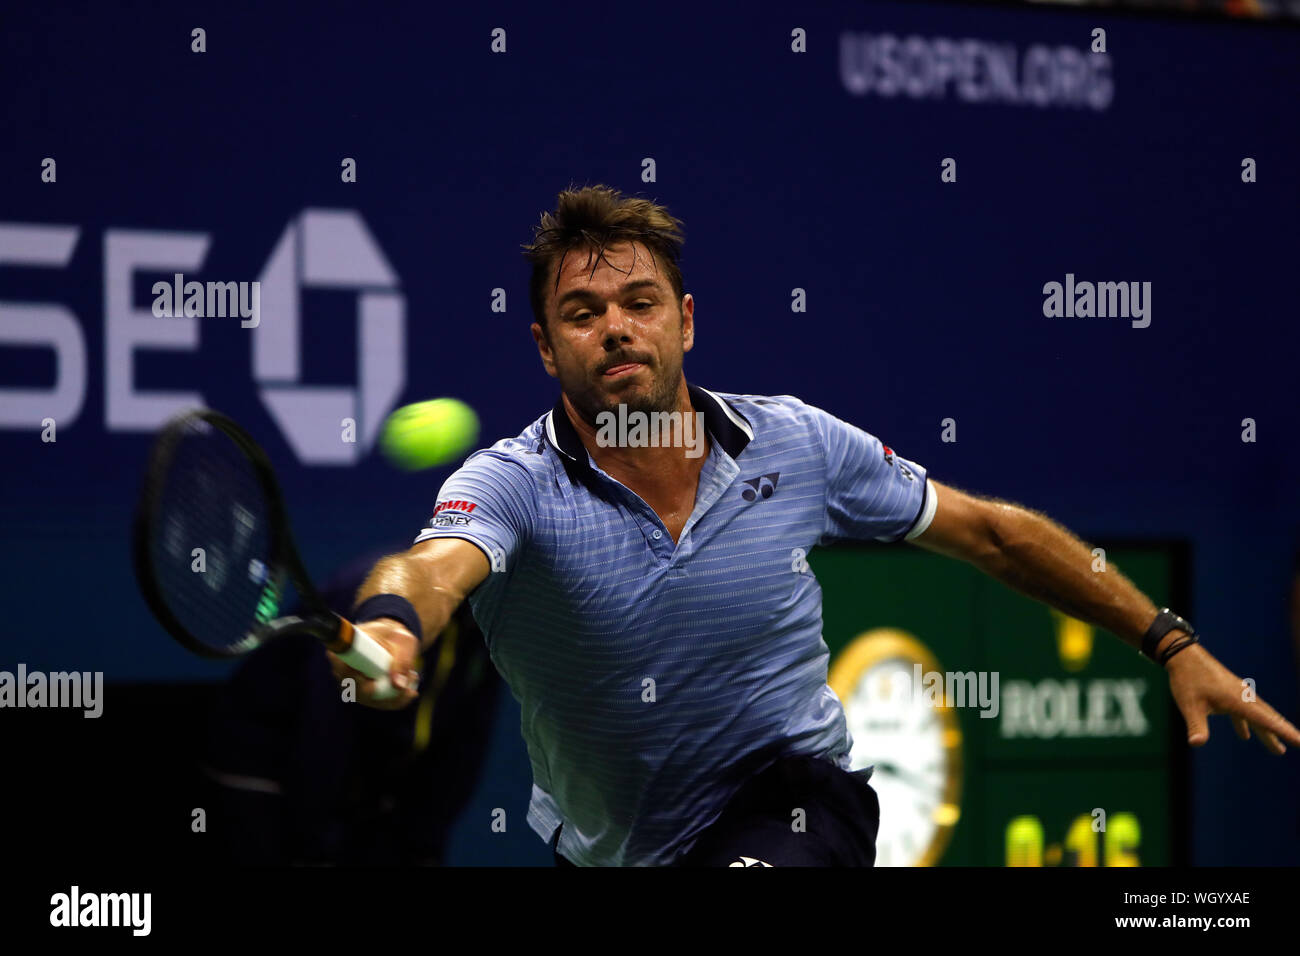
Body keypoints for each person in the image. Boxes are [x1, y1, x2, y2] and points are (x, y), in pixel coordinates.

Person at [331, 184, 1300, 867]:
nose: (617, 327)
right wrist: (389, 623)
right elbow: (429, 568)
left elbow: (994, 534)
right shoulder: (510, 483)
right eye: (582, 313)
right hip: (603, 844)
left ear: (686, 320)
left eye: (640, 301)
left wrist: (1167, 639)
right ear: (545, 346)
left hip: (794, 800)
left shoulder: (796, 440)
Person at [202, 545, 499, 865]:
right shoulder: (358, 589)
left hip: (364, 787)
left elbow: (466, 740)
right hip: (266, 765)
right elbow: (323, 729)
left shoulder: (493, 621)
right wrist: (317, 846)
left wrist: (423, 842)